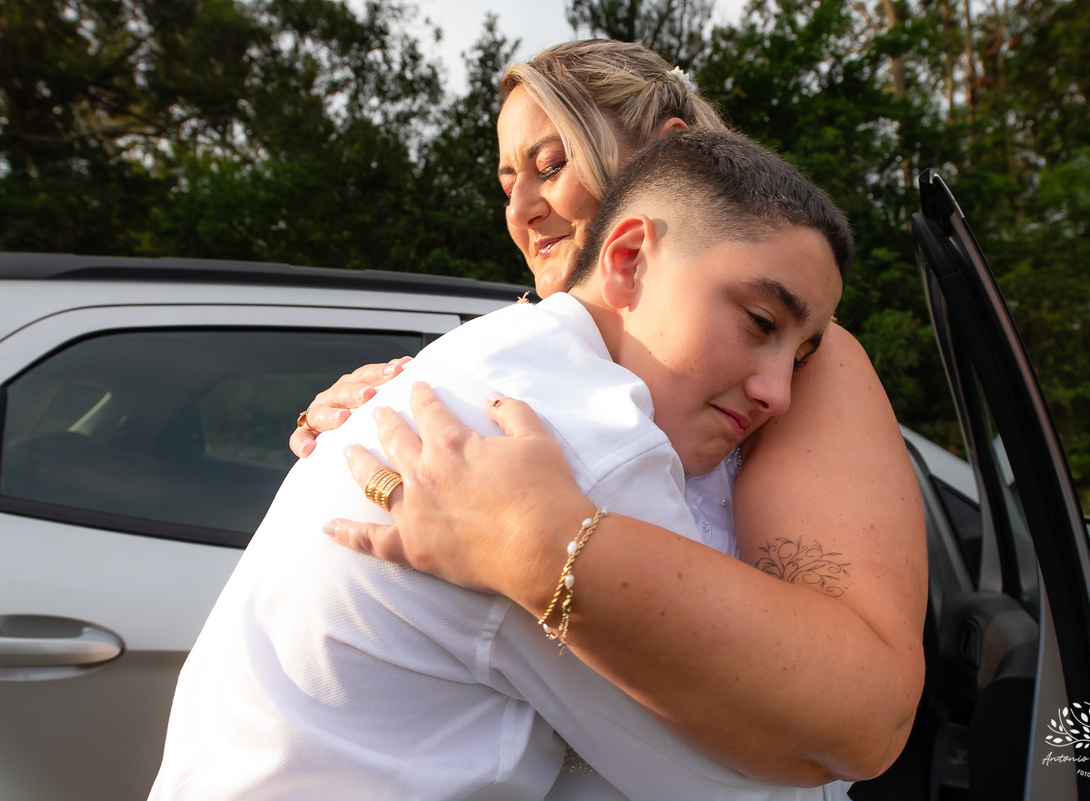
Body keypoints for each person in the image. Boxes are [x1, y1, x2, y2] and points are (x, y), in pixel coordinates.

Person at [149, 129, 853, 800]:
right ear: (629, 258)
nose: (779, 393)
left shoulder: (497, 356)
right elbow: (736, 785)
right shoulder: (579, 443)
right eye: (761, 322)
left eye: (800, 355)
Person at [298, 40, 927, 785]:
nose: (522, 208)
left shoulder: (802, 360)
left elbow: (859, 711)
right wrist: (352, 434)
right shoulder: (514, 392)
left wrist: (539, 543)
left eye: (551, 164)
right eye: (507, 182)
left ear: (669, 154)